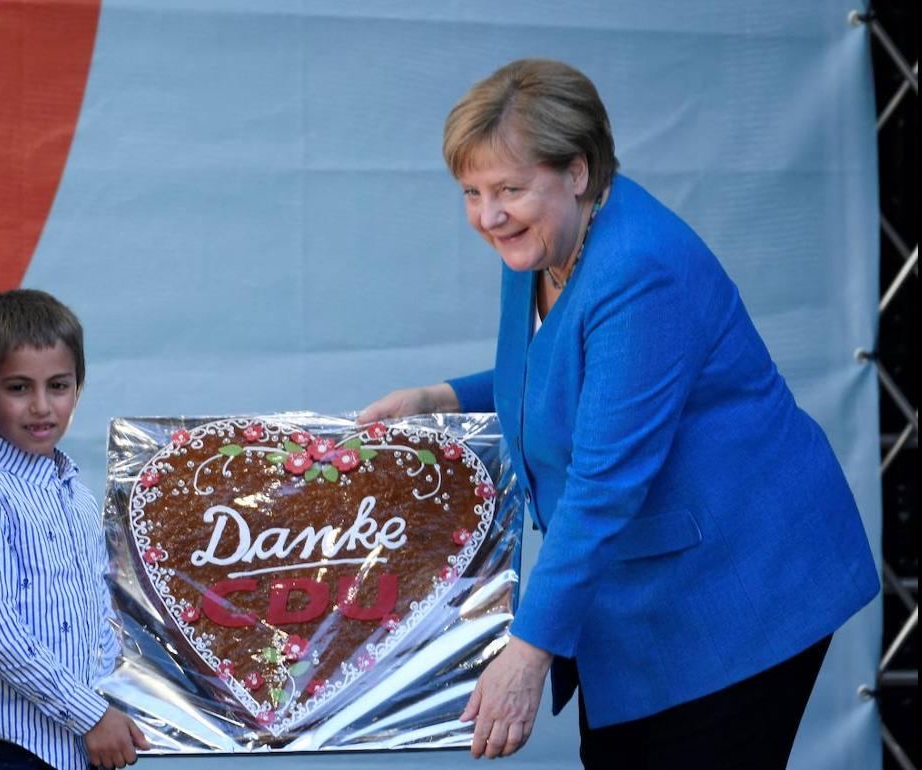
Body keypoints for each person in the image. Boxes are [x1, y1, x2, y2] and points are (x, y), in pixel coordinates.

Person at [358, 59, 879, 769]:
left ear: (577, 171)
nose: (488, 215)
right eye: (472, 192)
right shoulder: (544, 243)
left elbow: (604, 482)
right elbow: (567, 373)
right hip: (643, 589)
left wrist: (526, 656)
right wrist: (440, 400)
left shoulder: (638, 271)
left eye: (510, 189)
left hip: (737, 591)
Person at [0, 289, 150, 770]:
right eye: (18, 388)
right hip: (6, 746)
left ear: (78, 388)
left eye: (58, 385)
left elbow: (101, 618)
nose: (41, 407)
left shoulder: (79, 497)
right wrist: (93, 715)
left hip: (82, 744)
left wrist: (120, 706)